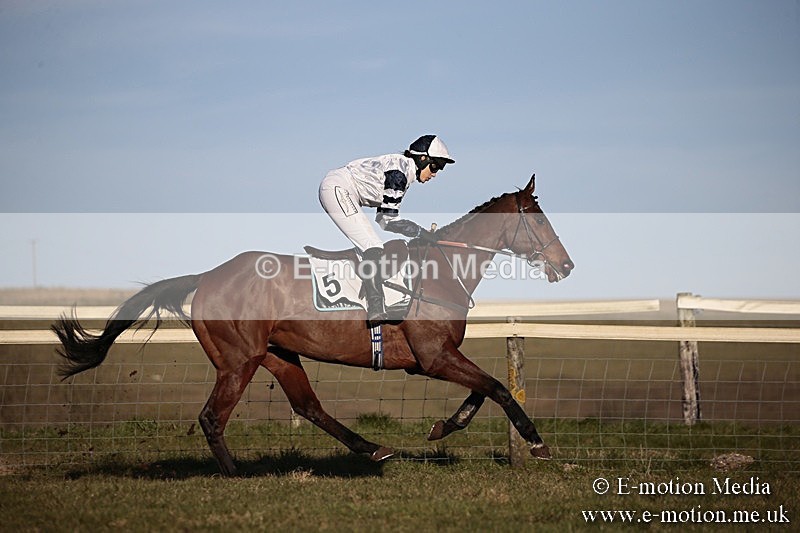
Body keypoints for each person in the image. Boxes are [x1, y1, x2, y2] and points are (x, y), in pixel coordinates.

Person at [319, 134, 455, 324]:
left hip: (341, 187)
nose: (435, 173)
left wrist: (419, 232)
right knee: (372, 245)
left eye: (439, 168)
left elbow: (383, 218)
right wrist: (421, 233)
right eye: (435, 166)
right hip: (338, 188)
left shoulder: (403, 170)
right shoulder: (399, 174)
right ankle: (376, 307)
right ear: (422, 158)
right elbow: (387, 220)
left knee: (370, 245)